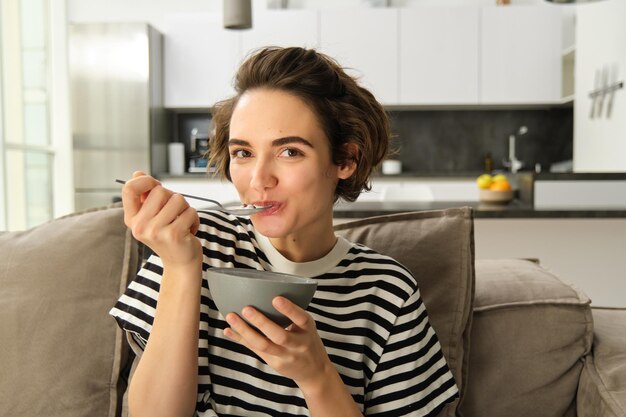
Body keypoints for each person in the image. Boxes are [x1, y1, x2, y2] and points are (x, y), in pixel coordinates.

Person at [110, 46, 458, 417]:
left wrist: (317, 376)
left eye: (289, 152)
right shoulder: (192, 242)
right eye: (243, 153)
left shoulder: (386, 291)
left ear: (345, 160)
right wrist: (181, 268)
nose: (259, 180)